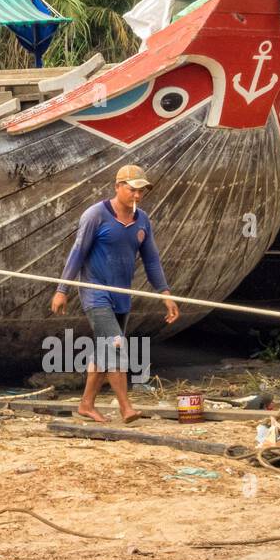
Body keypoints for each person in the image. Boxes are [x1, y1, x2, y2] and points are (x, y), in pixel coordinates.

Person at [51, 164, 181, 424]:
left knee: (103, 352)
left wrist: (165, 294)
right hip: (95, 291)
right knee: (115, 345)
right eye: (132, 190)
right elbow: (77, 252)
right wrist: (62, 289)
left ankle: (86, 404)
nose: (137, 196)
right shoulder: (95, 215)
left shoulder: (142, 220)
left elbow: (152, 261)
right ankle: (126, 407)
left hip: (122, 296)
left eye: (141, 191)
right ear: (118, 187)